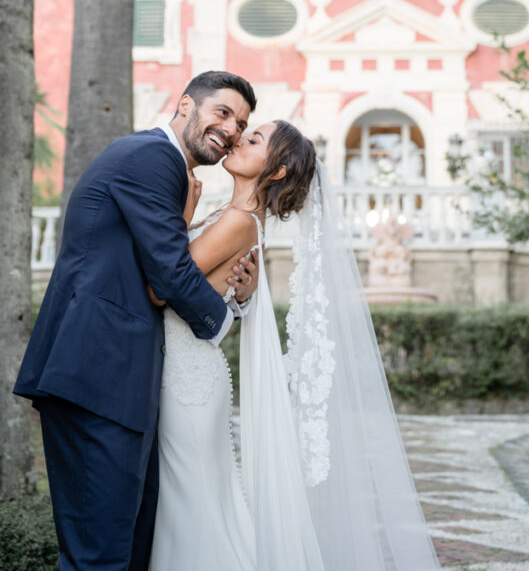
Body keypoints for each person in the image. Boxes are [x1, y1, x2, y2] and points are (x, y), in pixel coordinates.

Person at [150, 118, 442, 571]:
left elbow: (165, 282)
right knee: (195, 507)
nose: (236, 139)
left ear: (278, 170)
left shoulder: (237, 222)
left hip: (186, 380)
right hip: (186, 373)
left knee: (194, 510)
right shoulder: (233, 219)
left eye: (253, 139)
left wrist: (181, 216)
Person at [14, 71, 261, 571]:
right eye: (224, 113)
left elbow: (161, 260)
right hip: (97, 375)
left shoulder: (167, 171)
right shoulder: (152, 158)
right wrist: (223, 322)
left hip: (120, 380)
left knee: (124, 552)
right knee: (99, 556)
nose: (232, 129)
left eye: (243, 123)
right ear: (186, 105)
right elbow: (169, 276)